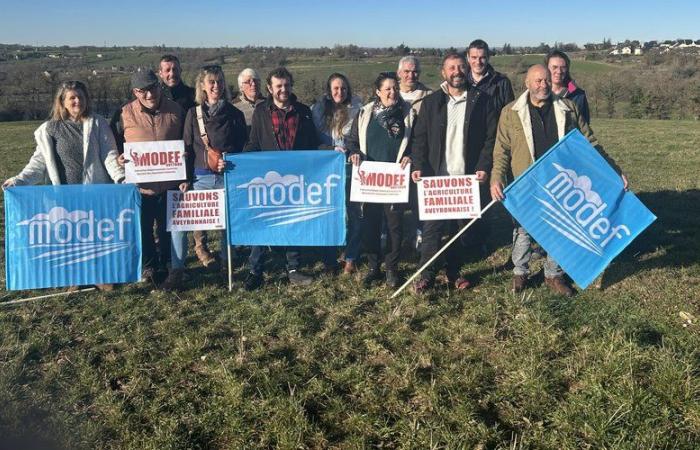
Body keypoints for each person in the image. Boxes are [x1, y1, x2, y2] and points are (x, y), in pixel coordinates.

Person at [490, 64, 628, 297]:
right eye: (537, 81)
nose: (543, 85)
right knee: (524, 230)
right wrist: (496, 177)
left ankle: (553, 275)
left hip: (560, 181)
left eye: (545, 80)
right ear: (527, 83)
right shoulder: (510, 112)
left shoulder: (568, 108)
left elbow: (590, 142)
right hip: (527, 182)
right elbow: (501, 150)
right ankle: (520, 272)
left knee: (560, 228)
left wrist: (613, 169)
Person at [2, 80, 124, 291]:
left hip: (93, 191)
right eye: (72, 98)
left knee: (94, 235)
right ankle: (75, 278)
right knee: (71, 237)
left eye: (81, 97)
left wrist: (121, 179)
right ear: (63, 102)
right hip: (64, 195)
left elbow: (110, 155)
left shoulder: (97, 123)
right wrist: (19, 180)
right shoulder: (50, 129)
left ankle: (99, 276)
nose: (77, 101)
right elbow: (39, 162)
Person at [410, 52, 497, 294]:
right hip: (437, 180)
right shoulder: (430, 103)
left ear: (466, 69)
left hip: (466, 179)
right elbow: (419, 140)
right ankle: (426, 275)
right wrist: (417, 166)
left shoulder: (483, 101)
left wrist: (483, 166)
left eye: (460, 66)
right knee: (432, 230)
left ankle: (454, 272)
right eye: (451, 68)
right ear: (443, 72)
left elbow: (490, 140)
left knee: (459, 230)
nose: (457, 71)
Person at [162, 65, 247, 290]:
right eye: (211, 82)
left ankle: (226, 264)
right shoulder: (193, 114)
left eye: (219, 81)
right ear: (203, 86)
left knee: (227, 225)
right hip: (199, 179)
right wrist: (184, 178)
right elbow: (187, 147)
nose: (216, 86)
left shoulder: (235, 114)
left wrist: (231, 161)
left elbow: (243, 147)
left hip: (227, 178)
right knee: (179, 223)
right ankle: (177, 269)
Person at [243, 67, 320, 290]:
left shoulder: (304, 111)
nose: (283, 89)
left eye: (286, 85)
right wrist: (239, 161)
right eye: (278, 86)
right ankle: (255, 271)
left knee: (293, 221)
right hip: (268, 179)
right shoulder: (260, 112)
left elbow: (313, 145)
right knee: (262, 222)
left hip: (296, 179)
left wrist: (332, 151)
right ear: (269, 88)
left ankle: (293, 269)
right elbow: (254, 143)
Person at [111, 69, 186, 282]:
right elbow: (112, 145)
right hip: (140, 186)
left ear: (159, 86)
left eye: (152, 89)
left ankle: (167, 262)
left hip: (169, 182)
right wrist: (118, 159)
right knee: (142, 228)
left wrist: (184, 154)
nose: (149, 95)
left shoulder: (175, 110)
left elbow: (185, 139)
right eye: (142, 91)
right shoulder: (124, 113)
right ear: (135, 92)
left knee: (166, 227)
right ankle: (149, 266)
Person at [347, 72, 415, 288]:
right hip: (370, 181)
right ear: (378, 92)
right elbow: (352, 141)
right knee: (370, 225)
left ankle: (392, 268)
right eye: (387, 89)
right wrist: (354, 152)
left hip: (395, 180)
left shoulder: (408, 113)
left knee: (395, 226)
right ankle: (374, 266)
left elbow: (417, 141)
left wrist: (411, 155)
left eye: (395, 88)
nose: (392, 92)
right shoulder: (365, 113)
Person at [158, 54, 216, 268]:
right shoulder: (153, 96)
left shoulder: (192, 96)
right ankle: (166, 255)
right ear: (160, 73)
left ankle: (201, 248)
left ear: (180, 70)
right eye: (167, 70)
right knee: (168, 212)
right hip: (161, 163)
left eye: (175, 69)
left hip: (189, 157)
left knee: (195, 209)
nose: (171, 73)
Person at [311, 73, 363, 275]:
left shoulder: (358, 110)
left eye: (343, 88)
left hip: (350, 169)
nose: (339, 92)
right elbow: (312, 140)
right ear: (328, 90)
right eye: (335, 88)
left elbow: (360, 139)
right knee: (328, 215)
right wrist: (328, 150)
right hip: (326, 170)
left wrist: (353, 151)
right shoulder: (317, 111)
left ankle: (351, 257)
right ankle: (329, 259)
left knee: (354, 214)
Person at [467, 39, 515, 115]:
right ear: (468, 58)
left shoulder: (502, 82)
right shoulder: (461, 82)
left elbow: (510, 115)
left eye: (482, 57)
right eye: (474, 57)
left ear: (488, 58)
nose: (478, 62)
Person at [545, 49, 591, 124]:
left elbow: (584, 126)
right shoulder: (540, 94)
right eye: (554, 67)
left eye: (563, 67)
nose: (559, 71)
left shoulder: (578, 95)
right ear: (546, 69)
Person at [233, 68, 265, 134]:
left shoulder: (269, 104)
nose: (253, 84)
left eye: (256, 81)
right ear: (241, 87)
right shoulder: (234, 107)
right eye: (248, 81)